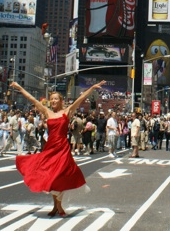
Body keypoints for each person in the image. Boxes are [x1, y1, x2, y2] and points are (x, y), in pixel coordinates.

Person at [10, 80, 106, 216]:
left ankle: (59, 206)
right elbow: (32, 99)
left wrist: (92, 88)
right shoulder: (47, 112)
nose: (53, 101)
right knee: (50, 176)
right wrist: (19, 87)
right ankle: (56, 206)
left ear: (61, 101)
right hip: (50, 148)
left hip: (62, 148)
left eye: (56, 99)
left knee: (58, 176)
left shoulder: (67, 112)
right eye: (52, 99)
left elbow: (81, 98)